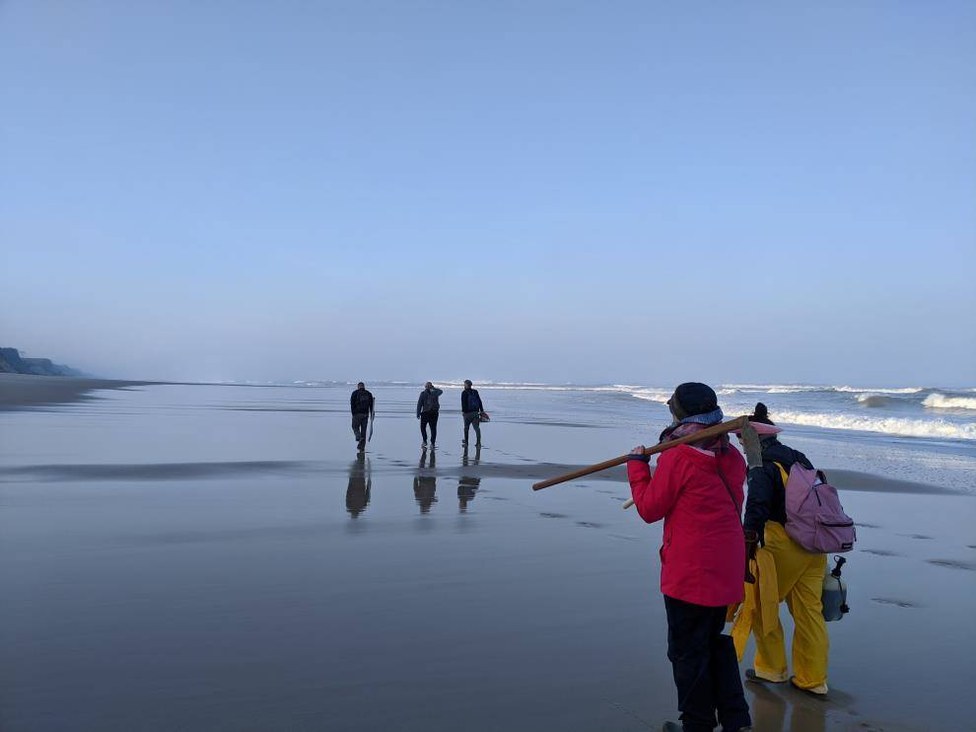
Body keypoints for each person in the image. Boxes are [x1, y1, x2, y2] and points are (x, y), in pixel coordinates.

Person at [627, 382, 752, 732]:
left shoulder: (679, 455)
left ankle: (696, 724)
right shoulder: (731, 455)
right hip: (726, 565)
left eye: (672, 401)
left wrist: (637, 468)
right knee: (715, 642)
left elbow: (650, 509)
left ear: (683, 412)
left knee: (686, 650)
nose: (668, 403)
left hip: (692, 571)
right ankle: (735, 719)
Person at [738, 402, 830, 697]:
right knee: (809, 613)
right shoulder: (798, 457)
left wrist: (747, 543)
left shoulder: (762, 465)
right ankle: (813, 680)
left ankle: (771, 669)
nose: (741, 446)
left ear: (753, 440)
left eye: (742, 440)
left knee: (762, 606)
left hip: (781, 544)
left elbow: (757, 507)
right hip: (815, 545)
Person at [416, 381, 443, 448]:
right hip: (429, 413)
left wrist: (418, 413)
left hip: (430, 413)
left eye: (428, 386)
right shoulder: (427, 393)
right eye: (427, 386)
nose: (427, 387)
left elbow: (441, 391)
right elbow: (419, 404)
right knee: (429, 428)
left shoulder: (433, 393)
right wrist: (418, 413)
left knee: (429, 428)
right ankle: (428, 442)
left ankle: (428, 442)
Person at [349, 382, 374, 452]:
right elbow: (372, 405)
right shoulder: (369, 394)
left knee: (354, 427)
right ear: (364, 386)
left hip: (357, 414)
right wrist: (372, 415)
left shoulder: (355, 393)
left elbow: (352, 404)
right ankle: (361, 447)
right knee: (364, 431)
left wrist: (353, 413)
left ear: (358, 386)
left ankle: (358, 437)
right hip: (366, 414)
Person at [460, 380, 485, 447]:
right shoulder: (475, 392)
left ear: (466, 385)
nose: (463, 385)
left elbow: (463, 403)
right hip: (475, 412)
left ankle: (466, 443)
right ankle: (478, 443)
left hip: (467, 414)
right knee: (477, 428)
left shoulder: (464, 392)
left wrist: (463, 412)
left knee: (466, 428)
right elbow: (479, 401)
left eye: (464, 384)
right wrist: (482, 410)